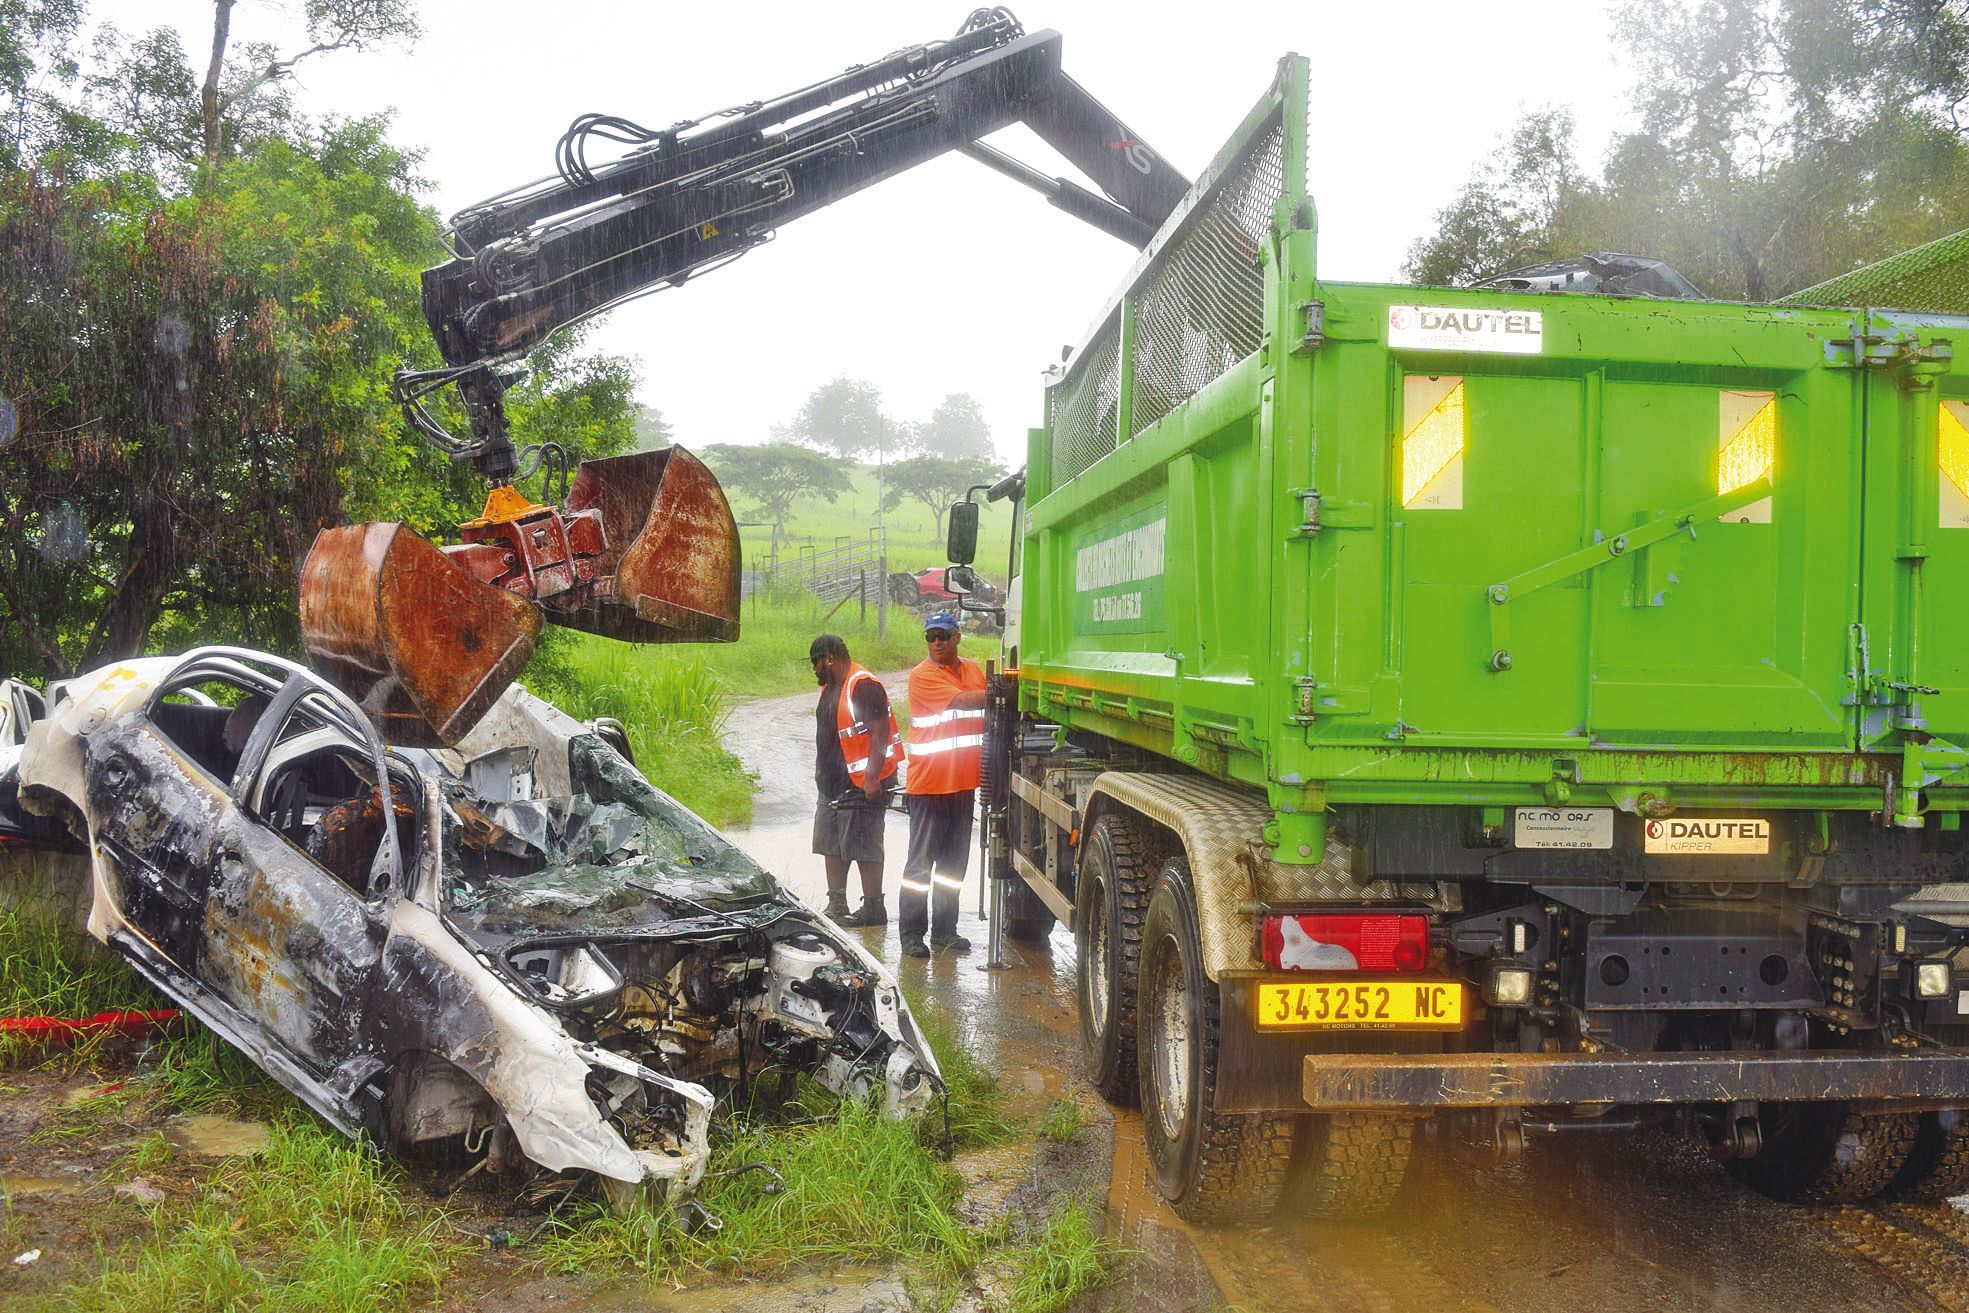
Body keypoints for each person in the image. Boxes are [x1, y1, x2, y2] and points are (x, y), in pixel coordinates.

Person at [899, 611, 986, 957]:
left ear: (956, 637)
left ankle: (945, 931)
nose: (935, 642)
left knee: (952, 867)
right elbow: (963, 701)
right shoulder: (923, 676)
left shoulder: (972, 670)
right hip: (929, 787)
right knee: (920, 867)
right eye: (930, 636)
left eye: (942, 635)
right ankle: (911, 935)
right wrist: (1001, 688)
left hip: (962, 787)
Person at [808, 633, 901, 925]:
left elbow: (879, 733)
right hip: (832, 785)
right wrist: (820, 767)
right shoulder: (831, 687)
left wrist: (872, 777)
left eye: (815, 663)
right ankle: (837, 903)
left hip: (862, 783)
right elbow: (828, 731)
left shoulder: (863, 685)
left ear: (829, 658)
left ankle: (874, 907)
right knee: (830, 843)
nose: (814, 670)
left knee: (864, 845)